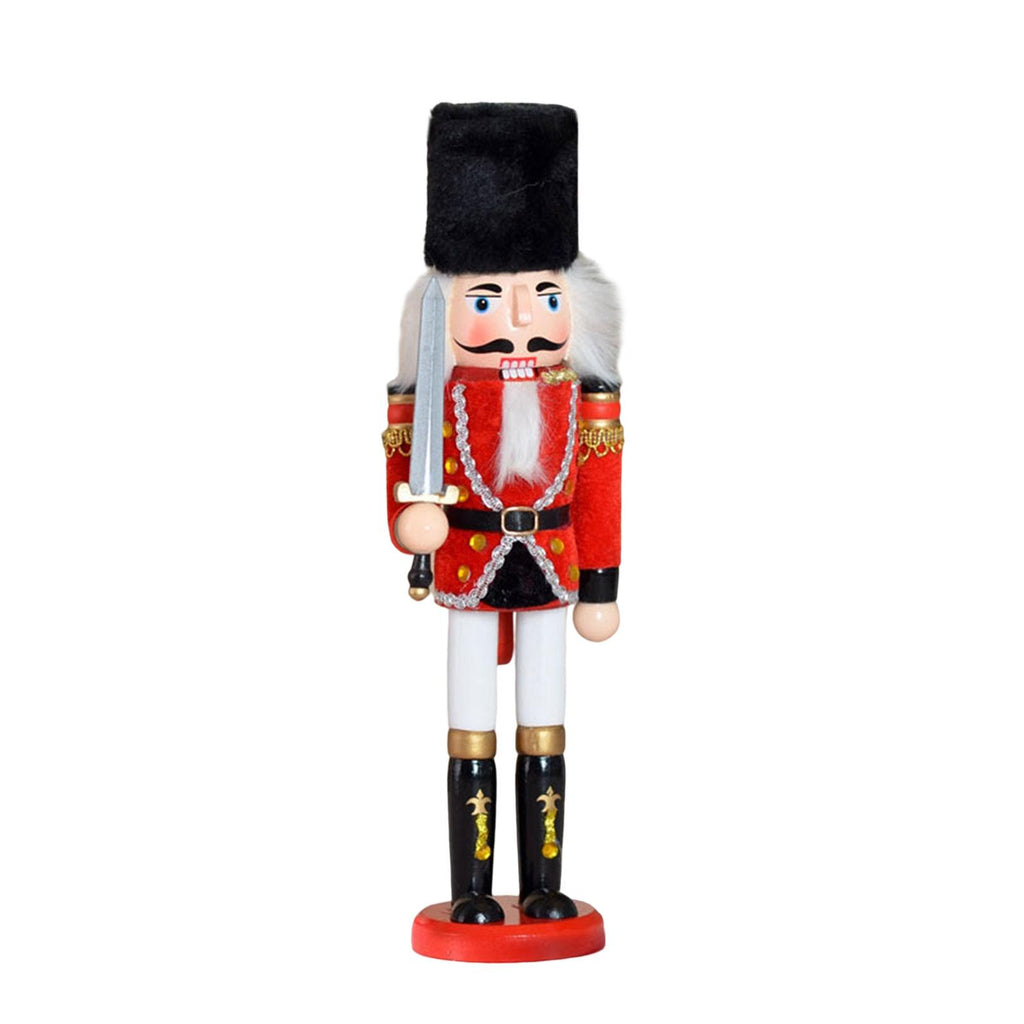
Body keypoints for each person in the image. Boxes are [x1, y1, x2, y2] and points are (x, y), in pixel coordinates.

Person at [383, 103, 622, 925]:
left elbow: (600, 490)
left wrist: (600, 587)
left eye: (542, 297)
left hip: (553, 565)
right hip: (467, 564)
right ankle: (474, 890)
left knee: (545, 723)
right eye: (487, 301)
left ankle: (547, 884)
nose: (520, 320)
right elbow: (404, 474)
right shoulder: (431, 394)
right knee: (470, 725)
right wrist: (410, 523)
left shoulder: (581, 398)